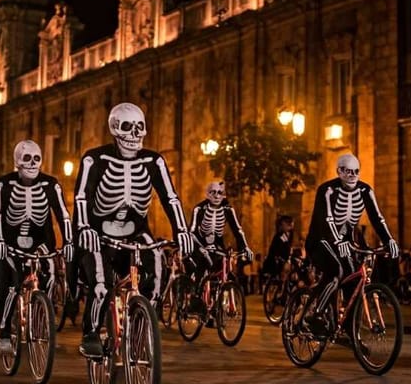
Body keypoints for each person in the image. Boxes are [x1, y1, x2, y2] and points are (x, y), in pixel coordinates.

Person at [73, 102, 194, 357]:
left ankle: (141, 323)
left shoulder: (154, 160)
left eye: (140, 128)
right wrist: (83, 226)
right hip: (98, 232)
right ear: (115, 130)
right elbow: (82, 197)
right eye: (128, 128)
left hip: (136, 231)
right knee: (101, 284)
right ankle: (91, 332)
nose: (135, 134)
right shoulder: (94, 158)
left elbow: (170, 198)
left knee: (159, 269)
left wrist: (182, 230)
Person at [0, 139, 73, 355]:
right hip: (10, 242)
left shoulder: (50, 184)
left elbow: (63, 215)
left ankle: (44, 322)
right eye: (27, 159)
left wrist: (68, 242)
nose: (32, 163)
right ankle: (4, 333)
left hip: (40, 241)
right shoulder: (3, 184)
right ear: (17, 162)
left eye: (37, 158)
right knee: (10, 284)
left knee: (51, 274)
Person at [304, 153, 399, 336]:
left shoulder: (365, 190)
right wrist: (337, 240)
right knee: (337, 270)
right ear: (339, 171)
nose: (352, 176)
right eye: (348, 171)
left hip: (346, 243)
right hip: (320, 241)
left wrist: (389, 240)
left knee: (354, 277)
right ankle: (315, 315)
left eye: (356, 172)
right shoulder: (327, 190)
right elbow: (327, 219)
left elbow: (377, 218)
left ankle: (348, 331)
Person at [187, 180, 253, 310]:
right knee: (203, 264)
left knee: (223, 270)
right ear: (207, 194)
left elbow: (237, 230)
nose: (217, 196)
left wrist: (245, 247)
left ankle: (215, 306)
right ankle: (195, 298)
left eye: (220, 193)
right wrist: (201, 248)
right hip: (200, 242)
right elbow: (192, 232)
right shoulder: (199, 209)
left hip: (217, 245)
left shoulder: (228, 209)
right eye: (213, 193)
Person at [262, 215, 294, 279]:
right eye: (286, 224)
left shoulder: (287, 235)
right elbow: (277, 250)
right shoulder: (280, 235)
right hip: (277, 263)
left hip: (282, 261)